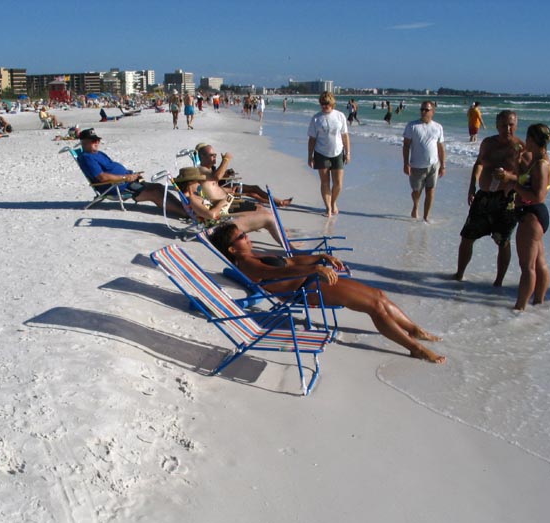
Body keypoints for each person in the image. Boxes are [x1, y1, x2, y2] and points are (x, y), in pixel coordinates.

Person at [209, 223, 446, 363]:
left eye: (244, 233)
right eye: (241, 237)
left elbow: (290, 262)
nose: (247, 237)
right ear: (232, 249)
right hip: (305, 290)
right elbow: (273, 274)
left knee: (378, 295)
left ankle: (414, 330)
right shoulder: (249, 264)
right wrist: (315, 269)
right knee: (374, 307)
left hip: (311, 280)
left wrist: (319, 258)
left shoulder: (253, 254)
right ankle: (415, 349)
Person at [454, 110, 523, 285]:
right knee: (467, 237)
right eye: (503, 125)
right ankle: (459, 274)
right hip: (483, 197)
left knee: (503, 241)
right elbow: (479, 164)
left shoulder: (521, 148)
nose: (507, 128)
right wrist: (471, 186)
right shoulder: (487, 143)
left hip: (506, 200)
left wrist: (509, 177)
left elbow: (528, 178)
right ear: (497, 126)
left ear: (516, 125)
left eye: (511, 125)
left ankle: (498, 281)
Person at [499, 124, 550, 310]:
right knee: (539, 263)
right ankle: (539, 302)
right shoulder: (540, 160)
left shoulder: (540, 164)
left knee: (527, 267)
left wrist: (513, 183)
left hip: (532, 215)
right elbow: (527, 180)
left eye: (527, 138)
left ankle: (520, 308)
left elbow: (538, 196)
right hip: (536, 215)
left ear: (532, 140)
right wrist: (516, 164)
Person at [77, 129, 185, 215]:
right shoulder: (87, 158)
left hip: (125, 181)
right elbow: (102, 177)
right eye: (93, 141)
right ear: (84, 142)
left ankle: (185, 208)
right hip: (116, 187)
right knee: (155, 193)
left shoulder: (97, 153)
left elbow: (111, 167)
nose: (97, 143)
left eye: (97, 140)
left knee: (158, 187)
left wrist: (131, 174)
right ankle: (185, 213)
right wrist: (125, 178)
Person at [172, 168, 287, 247]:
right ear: (190, 183)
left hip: (221, 222)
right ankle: (288, 246)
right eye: (198, 181)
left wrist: (228, 197)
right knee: (268, 218)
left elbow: (209, 211)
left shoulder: (193, 196)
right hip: (218, 230)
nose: (199, 184)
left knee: (262, 212)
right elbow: (212, 215)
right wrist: (225, 201)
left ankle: (285, 242)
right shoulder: (192, 199)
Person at [195, 143, 292, 207]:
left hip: (223, 187)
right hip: (222, 190)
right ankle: (278, 202)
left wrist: (227, 173)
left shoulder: (209, 167)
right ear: (202, 156)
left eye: (215, 155)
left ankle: (277, 202)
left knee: (253, 192)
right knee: (253, 190)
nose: (214, 157)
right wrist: (225, 160)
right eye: (212, 155)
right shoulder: (202, 169)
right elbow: (216, 178)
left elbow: (216, 177)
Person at [307, 91, 351, 217]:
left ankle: (333, 203)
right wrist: (310, 156)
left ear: (332, 103)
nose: (324, 106)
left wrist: (348, 153)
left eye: (327, 103)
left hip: (338, 152)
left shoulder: (340, 116)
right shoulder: (316, 118)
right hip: (321, 153)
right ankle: (328, 208)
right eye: (322, 103)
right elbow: (312, 139)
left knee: (338, 183)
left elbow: (345, 135)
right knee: (325, 182)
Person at [402, 101, 445, 222]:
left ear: (433, 112)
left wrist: (443, 165)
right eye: (422, 109)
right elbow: (406, 146)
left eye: (426, 110)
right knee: (416, 192)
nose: (423, 112)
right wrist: (406, 163)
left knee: (430, 190)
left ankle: (426, 217)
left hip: (434, 165)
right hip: (416, 165)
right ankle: (416, 206)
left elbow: (441, 147)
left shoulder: (438, 127)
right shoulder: (412, 126)